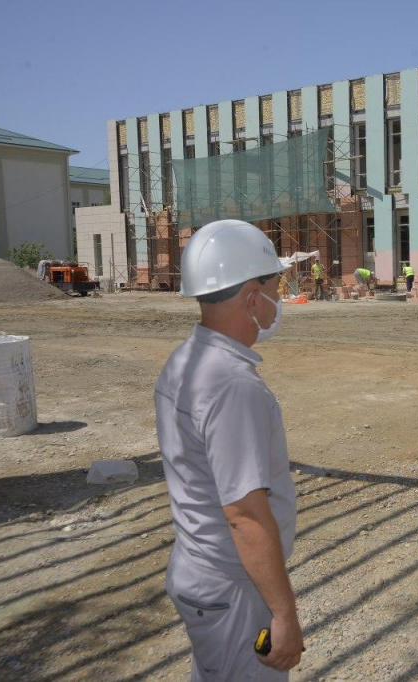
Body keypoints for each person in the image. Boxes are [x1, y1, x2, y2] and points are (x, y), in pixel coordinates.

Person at [155, 219, 303, 679]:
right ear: (252, 298)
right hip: (232, 587)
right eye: (275, 288)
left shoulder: (184, 361)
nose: (279, 301)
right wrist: (283, 615)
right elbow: (244, 514)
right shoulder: (234, 386)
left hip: (199, 570)